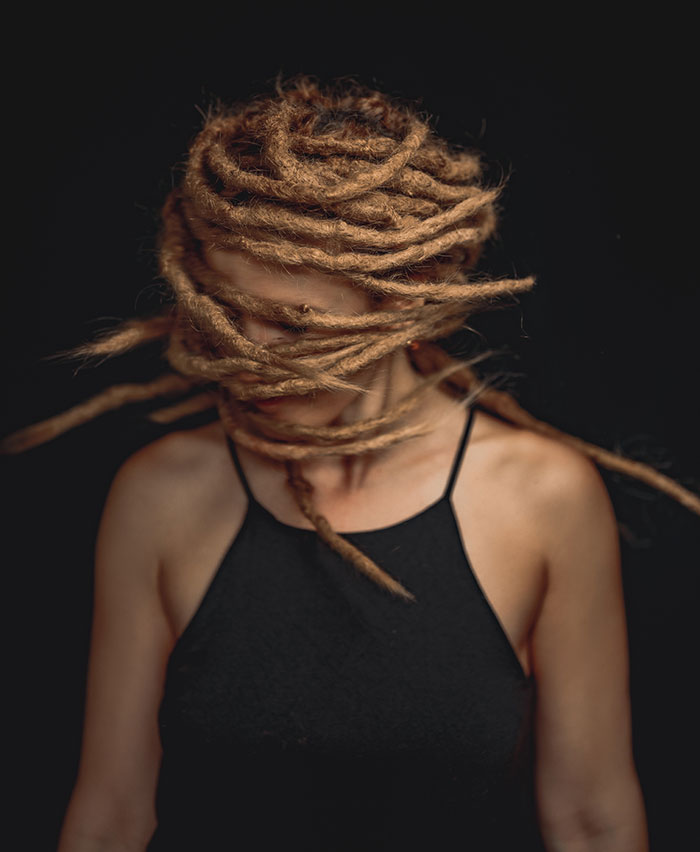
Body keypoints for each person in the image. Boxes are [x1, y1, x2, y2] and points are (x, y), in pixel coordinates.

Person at [5, 73, 691, 850]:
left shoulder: (541, 499)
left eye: (295, 324)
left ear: (406, 297)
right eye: (228, 311)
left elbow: (593, 822)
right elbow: (111, 819)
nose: (251, 359)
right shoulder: (159, 494)